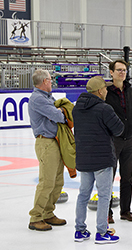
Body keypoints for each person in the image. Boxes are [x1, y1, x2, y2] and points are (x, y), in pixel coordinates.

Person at [73, 76, 124, 244]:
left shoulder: (77, 109)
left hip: (84, 158)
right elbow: (119, 129)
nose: (107, 90)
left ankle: (79, 230)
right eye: (105, 88)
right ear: (100, 91)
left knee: (83, 194)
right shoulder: (104, 108)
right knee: (104, 196)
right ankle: (102, 232)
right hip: (102, 159)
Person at [28, 69, 67, 231]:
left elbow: (59, 113)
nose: (52, 82)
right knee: (47, 182)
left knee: (58, 181)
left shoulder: (47, 97)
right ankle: (36, 217)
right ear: (44, 81)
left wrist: (60, 111)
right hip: (46, 143)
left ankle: (48, 213)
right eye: (51, 80)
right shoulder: (38, 99)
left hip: (55, 142)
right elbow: (59, 117)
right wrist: (61, 112)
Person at [106, 59, 132, 223]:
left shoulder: (130, 91)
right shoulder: (105, 92)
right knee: (108, 178)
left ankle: (125, 210)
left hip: (129, 140)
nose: (122, 73)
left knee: (127, 177)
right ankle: (107, 212)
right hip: (112, 140)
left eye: (124, 70)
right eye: (119, 70)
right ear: (111, 72)